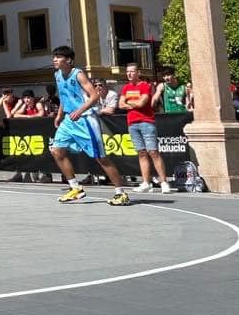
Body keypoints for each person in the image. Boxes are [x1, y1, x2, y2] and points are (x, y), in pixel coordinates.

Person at [48, 45, 130, 205]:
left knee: (101, 158)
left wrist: (79, 110)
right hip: (69, 120)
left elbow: (94, 97)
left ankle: (121, 193)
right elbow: (64, 97)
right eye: (54, 57)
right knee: (56, 151)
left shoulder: (78, 75)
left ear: (69, 60)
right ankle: (75, 188)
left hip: (85, 120)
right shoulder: (57, 75)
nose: (55, 59)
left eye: (58, 57)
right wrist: (59, 115)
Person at [118, 62, 169, 194]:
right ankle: (146, 182)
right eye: (127, 71)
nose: (129, 74)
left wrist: (128, 103)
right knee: (141, 153)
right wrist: (132, 104)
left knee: (153, 152)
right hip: (132, 123)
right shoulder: (125, 88)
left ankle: (164, 182)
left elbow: (142, 103)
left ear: (138, 73)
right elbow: (120, 104)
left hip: (146, 121)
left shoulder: (145, 86)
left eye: (132, 71)